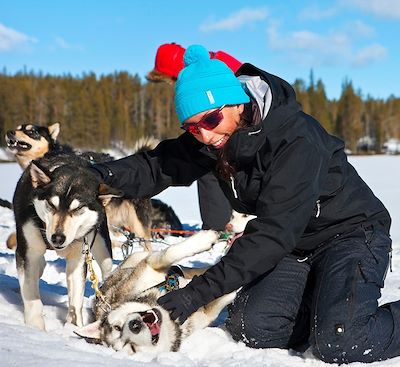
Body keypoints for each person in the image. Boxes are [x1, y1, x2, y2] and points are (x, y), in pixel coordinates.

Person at [91, 45, 397, 364]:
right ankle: (327, 308)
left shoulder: (295, 139)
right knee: (252, 329)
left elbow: (273, 235)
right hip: (295, 247)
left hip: (349, 235)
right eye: (193, 127)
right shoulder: (217, 139)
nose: (205, 135)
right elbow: (157, 166)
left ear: (237, 101)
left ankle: (336, 318)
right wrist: (95, 175)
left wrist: (195, 294)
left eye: (210, 119)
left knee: (341, 343)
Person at [146, 42, 241, 231]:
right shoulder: (214, 61)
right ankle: (220, 226)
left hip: (236, 131)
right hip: (230, 132)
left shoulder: (211, 70)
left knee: (207, 167)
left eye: (171, 79)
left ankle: (215, 229)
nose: (172, 84)